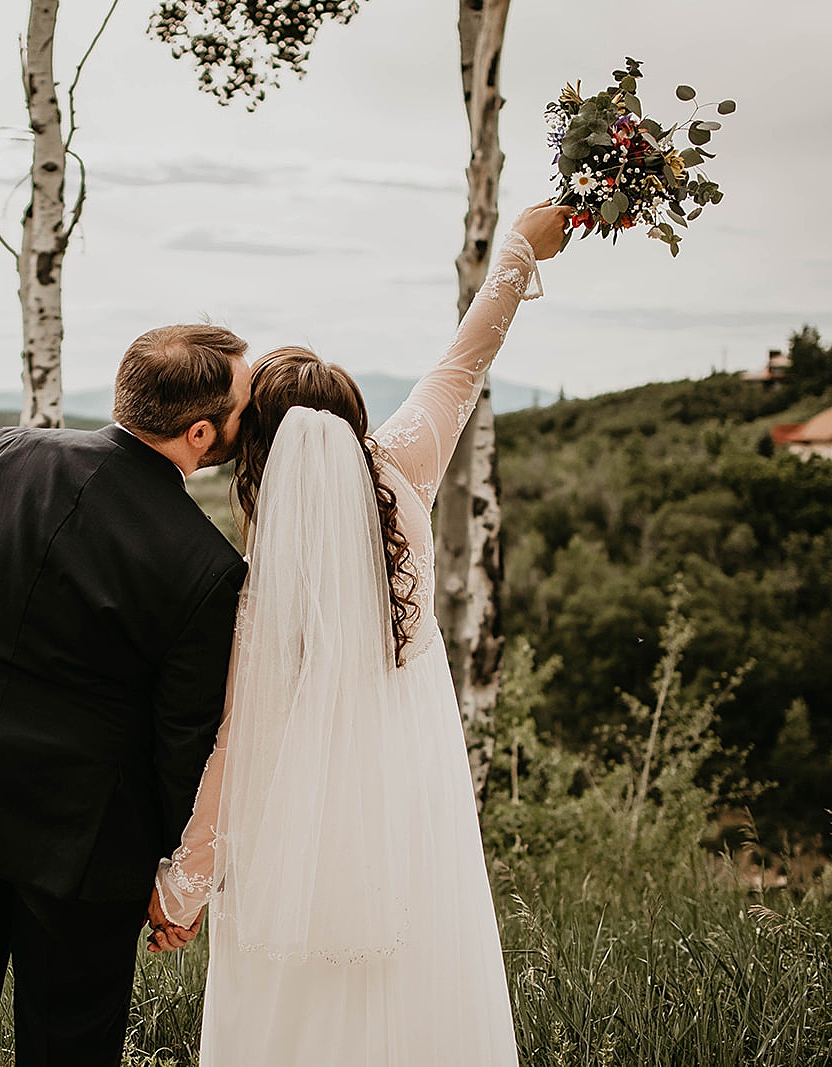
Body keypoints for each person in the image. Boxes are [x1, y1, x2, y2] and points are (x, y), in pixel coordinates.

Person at [148, 201, 571, 1066]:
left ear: (257, 451)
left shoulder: (260, 587)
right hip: (411, 823)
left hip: (289, 854)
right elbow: (467, 359)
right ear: (351, 421)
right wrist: (520, 250)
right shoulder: (405, 466)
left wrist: (182, 888)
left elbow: (234, 746)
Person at [0, 324, 253, 1067]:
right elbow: (183, 740)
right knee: (68, 1045)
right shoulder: (208, 566)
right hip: (84, 842)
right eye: (242, 407)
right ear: (202, 432)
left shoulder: (1, 452)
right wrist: (175, 866)